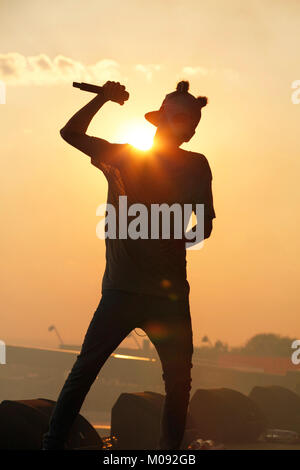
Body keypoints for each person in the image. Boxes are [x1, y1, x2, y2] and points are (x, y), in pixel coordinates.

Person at [42, 79, 216, 450]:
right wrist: (102, 98)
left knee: (172, 382)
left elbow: (206, 225)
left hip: (156, 296)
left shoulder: (192, 165)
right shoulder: (125, 157)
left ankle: (165, 454)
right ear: (164, 121)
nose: (181, 125)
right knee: (90, 371)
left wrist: (182, 236)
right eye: (178, 116)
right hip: (129, 292)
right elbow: (70, 133)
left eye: (185, 119)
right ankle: (53, 444)